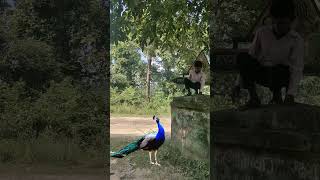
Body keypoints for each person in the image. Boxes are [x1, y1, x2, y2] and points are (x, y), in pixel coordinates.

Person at [232, 0, 304, 108]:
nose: (281, 27)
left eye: (285, 23)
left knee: (282, 70)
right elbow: (250, 58)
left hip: (281, 76)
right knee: (242, 57)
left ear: (291, 21)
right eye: (278, 23)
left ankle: (277, 96)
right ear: (273, 20)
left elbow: (297, 68)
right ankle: (254, 98)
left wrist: (290, 95)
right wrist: (237, 84)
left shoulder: (296, 39)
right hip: (263, 73)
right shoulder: (262, 33)